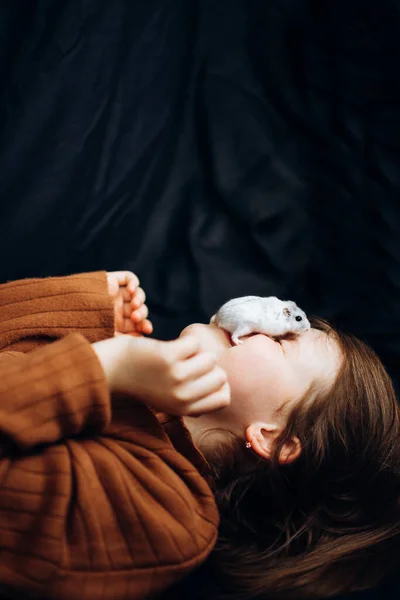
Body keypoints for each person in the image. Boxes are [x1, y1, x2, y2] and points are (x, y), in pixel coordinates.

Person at [0, 271, 399, 600]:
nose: (261, 322)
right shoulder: (126, 375)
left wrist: (105, 368)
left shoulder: (170, 519)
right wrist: (78, 311)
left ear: (274, 440)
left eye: (280, 342)